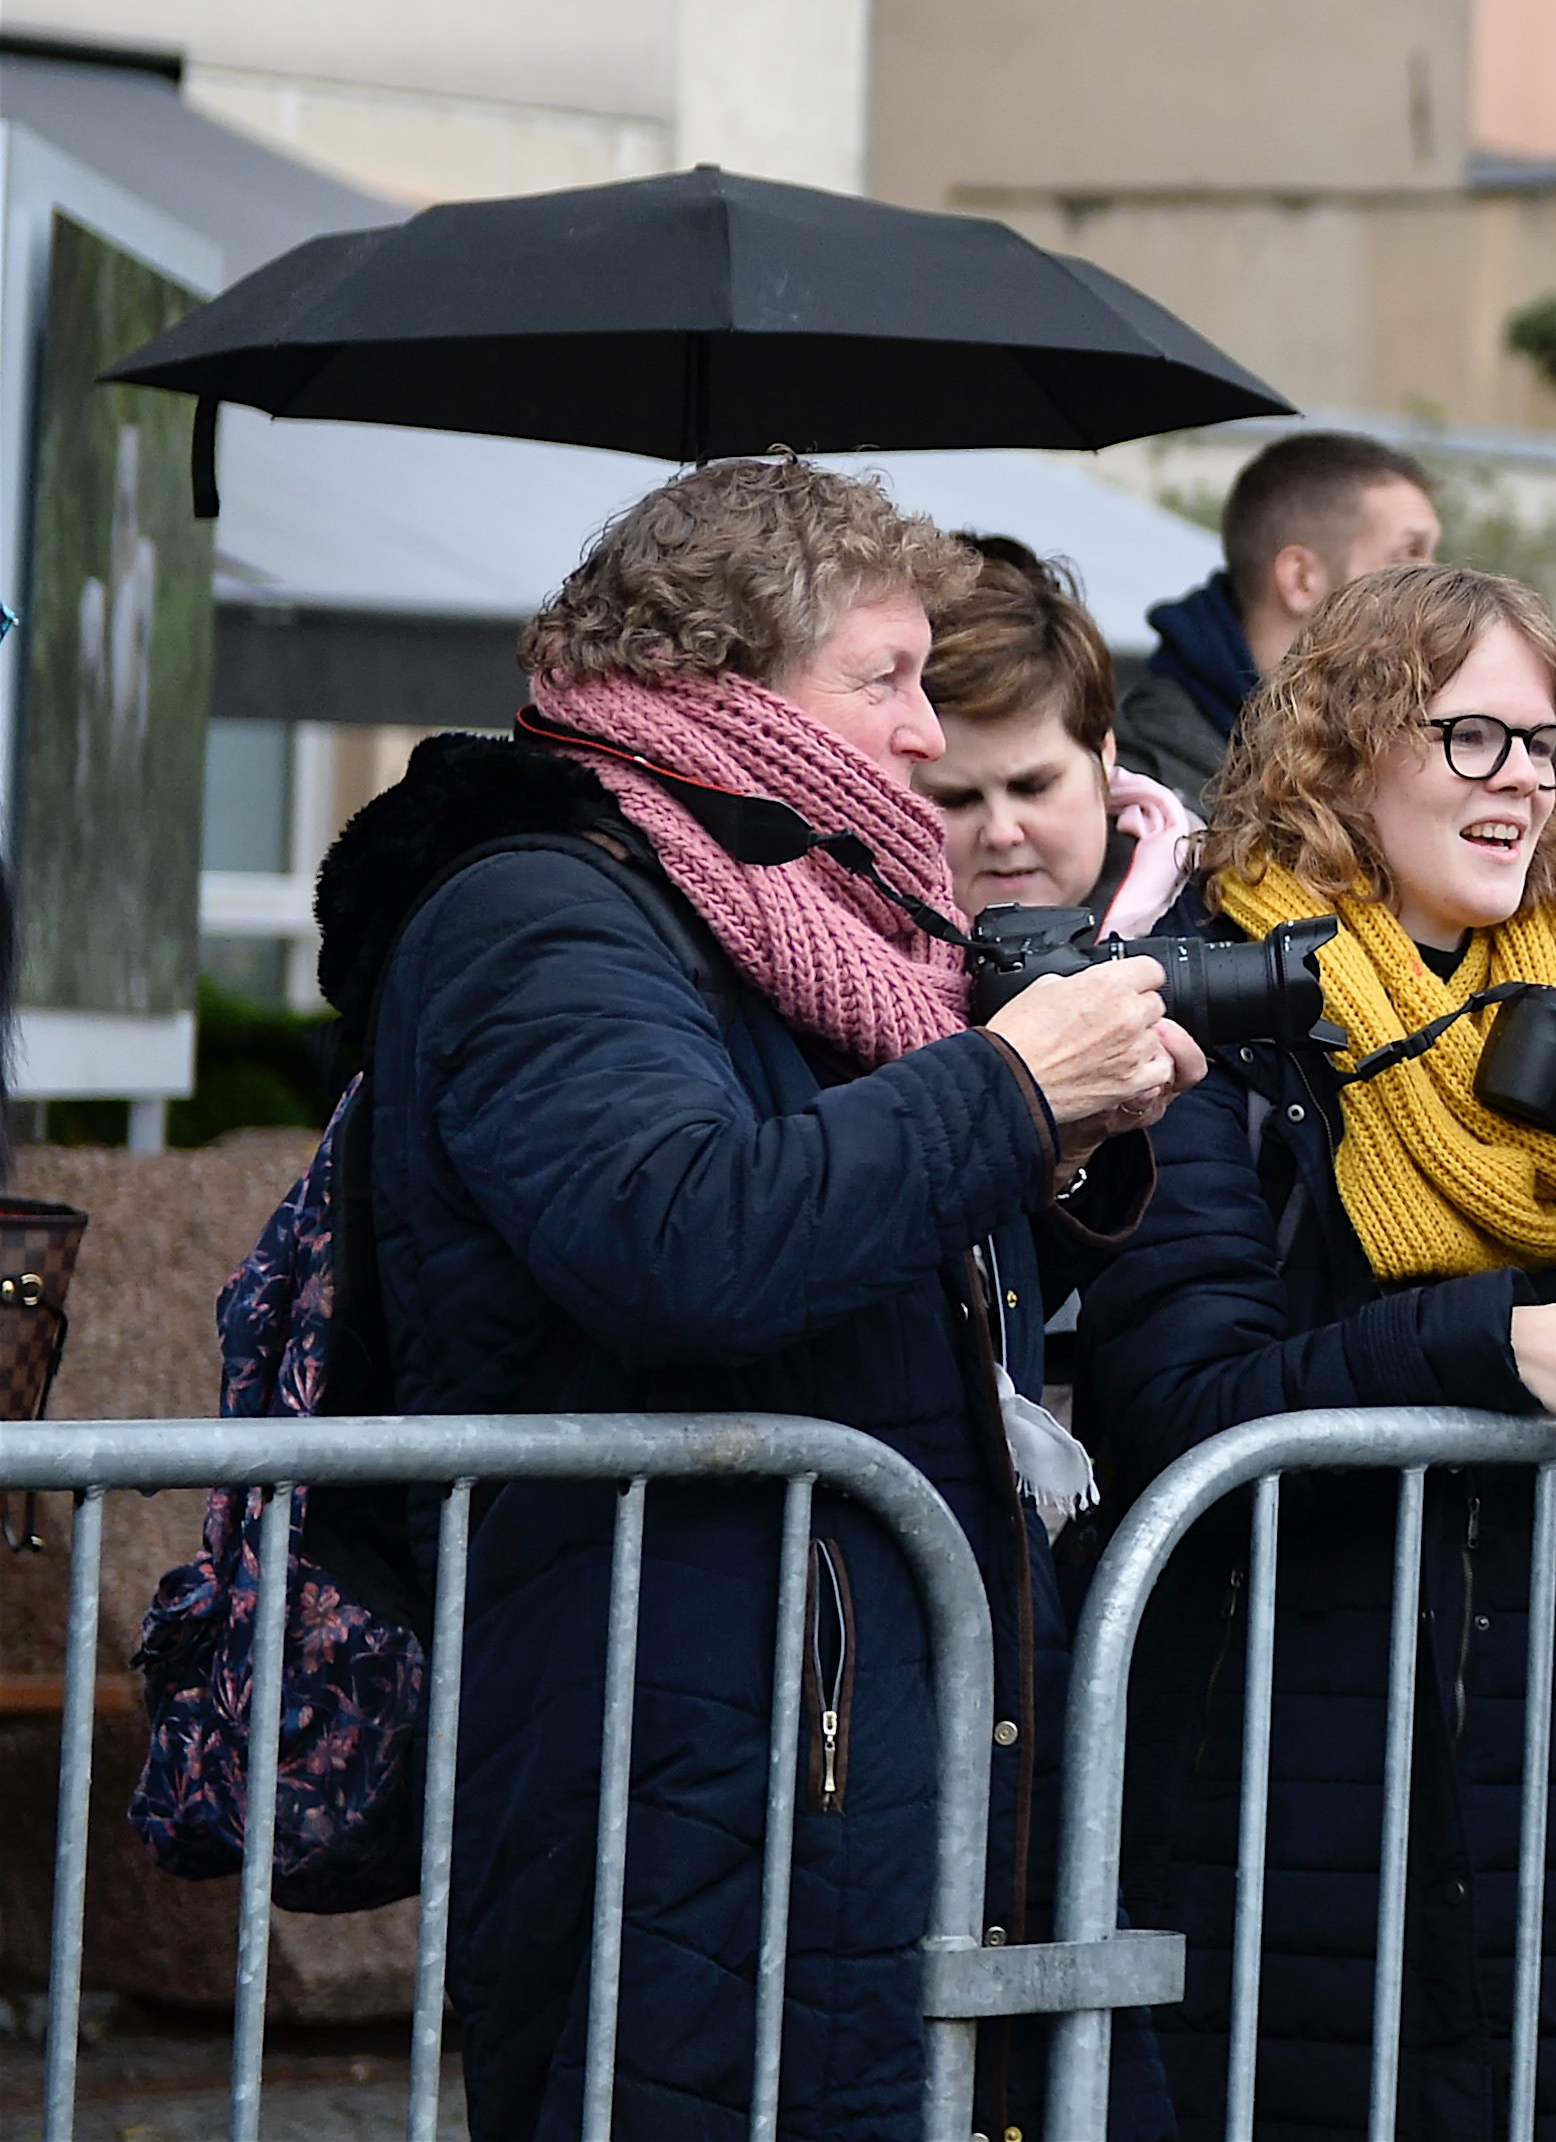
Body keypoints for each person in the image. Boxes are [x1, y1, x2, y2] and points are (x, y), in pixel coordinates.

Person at [332, 458, 1201, 2140]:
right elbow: (684, 1238)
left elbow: (874, 1255)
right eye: (885, 680)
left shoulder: (795, 908)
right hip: (683, 1736)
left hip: (825, 1705)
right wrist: (1008, 1093)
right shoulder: (541, 908)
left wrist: (1064, 1151)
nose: (923, 736)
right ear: (721, 675)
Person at [1077, 564, 1556, 2140]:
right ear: (1345, 744)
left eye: (1547, 743)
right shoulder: (1219, 1012)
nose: (1520, 778)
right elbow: (1187, 1413)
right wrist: (1490, 1341)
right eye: (1470, 736)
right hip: (1280, 1761)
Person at [1115, 432, 1440, 804]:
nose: (1433, 585)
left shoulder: (1384, 742)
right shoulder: (1149, 795)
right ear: (1301, 579)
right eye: (1409, 556)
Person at [918, 533, 1195, 935]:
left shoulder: (1223, 913)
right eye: (956, 799)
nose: (1002, 832)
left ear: (1104, 754)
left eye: (1033, 787)